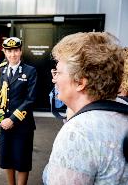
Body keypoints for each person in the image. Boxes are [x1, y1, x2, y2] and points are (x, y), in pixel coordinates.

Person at [43, 32, 128, 185]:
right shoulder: (123, 106)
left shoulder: (78, 133)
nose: (54, 78)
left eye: (58, 72)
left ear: (80, 83)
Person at [0, 37, 37, 185]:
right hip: (3, 124)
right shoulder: (0, 71)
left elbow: (30, 99)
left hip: (22, 125)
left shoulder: (30, 71)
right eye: (9, 51)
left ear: (21, 51)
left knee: (22, 160)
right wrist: (0, 118)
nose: (13, 54)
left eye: (16, 50)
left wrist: (12, 119)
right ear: (4, 52)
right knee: (7, 158)